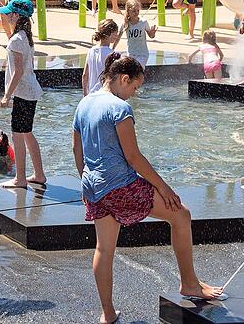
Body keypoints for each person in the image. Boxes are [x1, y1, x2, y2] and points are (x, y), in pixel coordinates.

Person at [72, 54, 223, 323]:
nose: (134, 93)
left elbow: (77, 149)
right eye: (135, 87)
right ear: (123, 79)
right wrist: (164, 189)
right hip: (120, 185)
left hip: (93, 187)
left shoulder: (84, 103)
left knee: (104, 249)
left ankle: (107, 313)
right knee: (181, 215)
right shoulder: (120, 108)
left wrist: (86, 181)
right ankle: (190, 283)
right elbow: (133, 157)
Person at [0, 0, 46, 189]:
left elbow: (18, 71)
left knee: (17, 135)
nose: (6, 17)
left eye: (9, 14)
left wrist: (6, 96)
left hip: (23, 93)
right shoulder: (26, 36)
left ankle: (20, 178)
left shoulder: (17, 40)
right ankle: (39, 174)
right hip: (30, 91)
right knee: (27, 133)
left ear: (16, 16)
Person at [114, 0, 156, 68]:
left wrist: (153, 33)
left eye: (138, 10)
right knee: (131, 72)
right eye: (133, 11)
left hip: (142, 54)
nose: (136, 13)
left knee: (138, 70)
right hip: (131, 53)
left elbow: (151, 36)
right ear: (128, 11)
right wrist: (112, 49)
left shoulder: (143, 22)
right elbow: (118, 38)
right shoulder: (125, 23)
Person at [83, 19, 119, 96]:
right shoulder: (111, 53)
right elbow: (114, 77)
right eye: (116, 33)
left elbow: (85, 75)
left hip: (91, 94)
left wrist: (85, 95)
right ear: (110, 34)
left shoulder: (91, 51)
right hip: (104, 94)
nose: (117, 36)